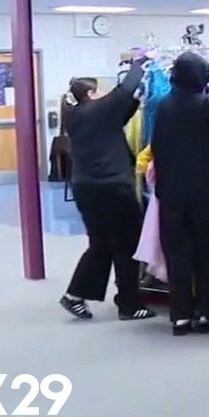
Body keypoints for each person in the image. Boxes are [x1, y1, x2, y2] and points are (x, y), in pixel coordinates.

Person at [149, 52, 209, 335]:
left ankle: (180, 316)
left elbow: (157, 147)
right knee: (206, 251)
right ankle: (206, 312)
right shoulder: (208, 105)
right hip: (205, 192)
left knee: (176, 252)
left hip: (170, 192)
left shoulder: (163, 106)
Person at [60, 50, 156, 322]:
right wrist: (139, 63)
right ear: (90, 94)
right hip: (112, 187)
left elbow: (118, 117)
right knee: (127, 244)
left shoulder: (77, 115)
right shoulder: (97, 109)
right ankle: (129, 304)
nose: (103, 93)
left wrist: (135, 101)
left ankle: (75, 295)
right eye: (99, 90)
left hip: (87, 188)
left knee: (101, 243)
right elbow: (125, 88)